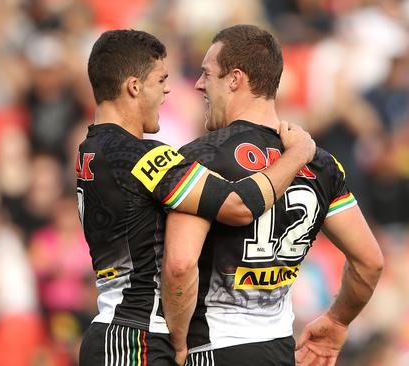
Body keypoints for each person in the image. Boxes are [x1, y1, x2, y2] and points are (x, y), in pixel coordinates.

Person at [77, 29, 316, 366]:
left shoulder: (92, 148)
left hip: (120, 331)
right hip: (134, 338)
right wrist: (296, 156)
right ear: (133, 87)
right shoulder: (139, 156)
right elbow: (237, 205)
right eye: (161, 79)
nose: (168, 90)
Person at [161, 25, 384, 366]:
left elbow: (180, 265)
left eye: (208, 74)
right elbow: (370, 262)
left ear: (235, 79)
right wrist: (338, 320)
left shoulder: (200, 158)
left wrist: (175, 342)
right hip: (281, 352)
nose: (199, 84)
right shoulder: (320, 164)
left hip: (211, 348)